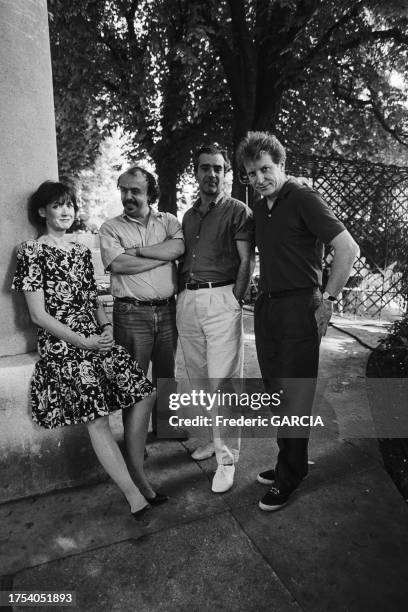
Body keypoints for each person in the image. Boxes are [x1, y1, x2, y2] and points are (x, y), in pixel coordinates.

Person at [12, 181, 165, 521]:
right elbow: (38, 315)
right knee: (96, 419)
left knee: (145, 393)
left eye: (70, 205)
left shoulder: (80, 250)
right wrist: (82, 341)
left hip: (96, 335)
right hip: (63, 343)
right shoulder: (30, 253)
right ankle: (134, 496)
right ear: (42, 212)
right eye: (58, 206)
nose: (67, 211)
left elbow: (94, 300)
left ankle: (136, 474)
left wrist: (107, 326)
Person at [236, 132, 359, 511]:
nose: (259, 178)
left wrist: (330, 298)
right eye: (252, 173)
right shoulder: (263, 207)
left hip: (299, 307)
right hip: (269, 307)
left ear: (282, 166)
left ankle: (290, 475)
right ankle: (290, 461)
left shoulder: (303, 198)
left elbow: (348, 248)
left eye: (265, 169)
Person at [177, 144, 254, 493]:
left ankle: (227, 457)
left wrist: (234, 299)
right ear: (196, 172)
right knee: (197, 378)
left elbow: (245, 261)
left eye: (218, 168)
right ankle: (211, 439)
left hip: (222, 297)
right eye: (205, 167)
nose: (212, 174)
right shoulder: (189, 215)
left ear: (226, 173)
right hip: (189, 299)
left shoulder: (239, 211)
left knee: (222, 381)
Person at [99, 166, 185, 438]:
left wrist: (137, 252)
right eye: (124, 190)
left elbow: (179, 248)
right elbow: (118, 264)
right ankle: (135, 441)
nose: (128, 196)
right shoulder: (110, 227)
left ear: (150, 193)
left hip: (167, 310)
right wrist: (163, 256)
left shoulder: (168, 221)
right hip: (131, 312)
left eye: (135, 190)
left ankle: (166, 428)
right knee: (132, 381)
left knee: (166, 375)